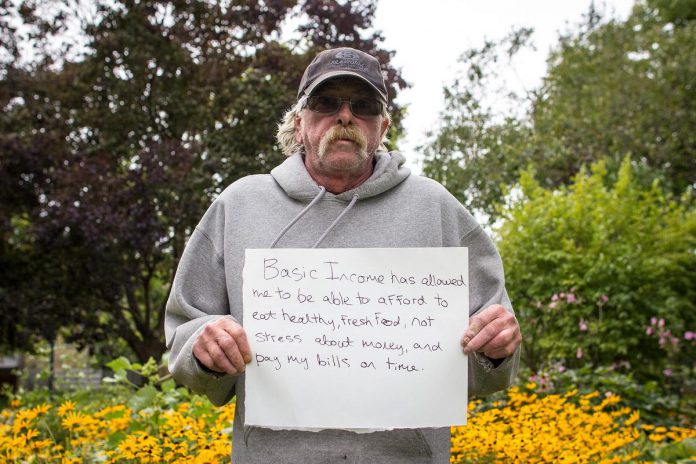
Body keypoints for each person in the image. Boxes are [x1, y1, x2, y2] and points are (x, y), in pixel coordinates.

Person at [165, 47, 521, 464]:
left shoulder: (437, 208)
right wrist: (204, 348)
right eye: (326, 102)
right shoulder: (238, 205)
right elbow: (184, 334)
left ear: (382, 125)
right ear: (299, 123)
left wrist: (496, 347)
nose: (346, 116)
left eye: (364, 105)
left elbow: (495, 360)